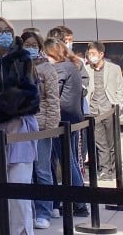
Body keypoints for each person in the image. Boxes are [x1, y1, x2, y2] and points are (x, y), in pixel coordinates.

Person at [0, 17, 40, 235]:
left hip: (20, 126)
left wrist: (0, 104)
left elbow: (31, 95)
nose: (3, 34)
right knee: (2, 190)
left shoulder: (21, 58)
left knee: (19, 188)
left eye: (7, 30)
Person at [21, 30, 60, 230]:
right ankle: (33, 209)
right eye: (26, 44)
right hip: (24, 126)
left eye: (33, 44)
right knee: (27, 171)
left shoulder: (47, 68)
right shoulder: (19, 65)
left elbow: (53, 100)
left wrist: (51, 127)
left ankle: (45, 210)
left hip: (43, 125)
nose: (30, 48)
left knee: (43, 170)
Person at [44, 39, 87, 218]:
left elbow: (53, 93)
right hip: (73, 119)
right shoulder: (72, 66)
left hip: (61, 120)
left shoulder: (59, 69)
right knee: (71, 161)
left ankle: (80, 202)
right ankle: (77, 200)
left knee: (66, 161)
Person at [83, 41, 123, 180]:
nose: (91, 56)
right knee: (100, 143)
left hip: (109, 109)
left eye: (93, 53)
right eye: (90, 54)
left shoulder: (114, 69)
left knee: (111, 142)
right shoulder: (86, 69)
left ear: (101, 54)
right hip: (94, 111)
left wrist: (118, 104)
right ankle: (105, 170)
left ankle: (113, 169)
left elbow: (120, 88)